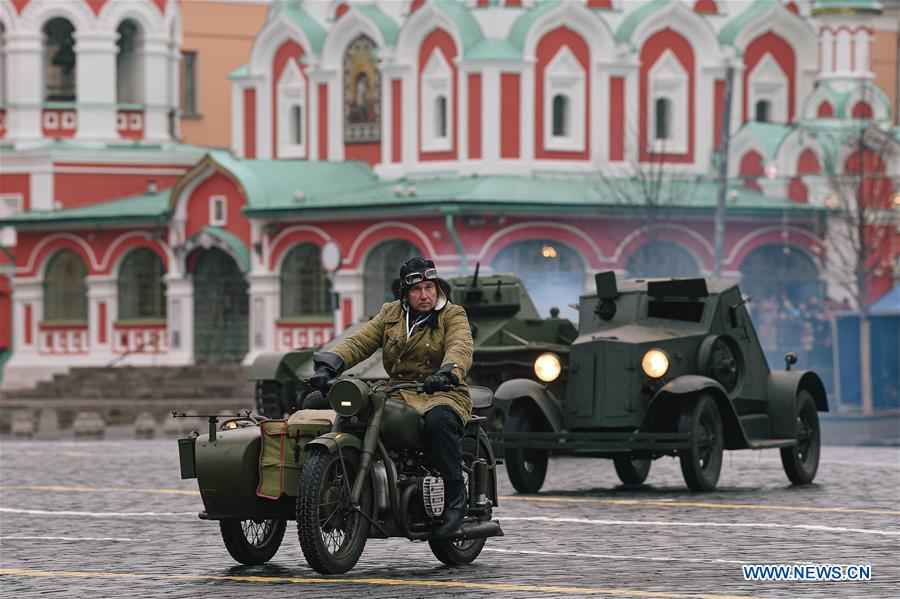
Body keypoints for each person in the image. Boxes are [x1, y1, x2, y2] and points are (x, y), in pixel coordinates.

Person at [308, 256, 473, 539]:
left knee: (439, 422)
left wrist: (448, 372)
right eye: (417, 289)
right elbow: (359, 342)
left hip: (442, 392)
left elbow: (460, 344)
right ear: (405, 294)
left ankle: (455, 502)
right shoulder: (391, 313)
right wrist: (329, 365)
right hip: (396, 392)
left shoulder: (452, 314)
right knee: (319, 402)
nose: (425, 295)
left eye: (430, 287)